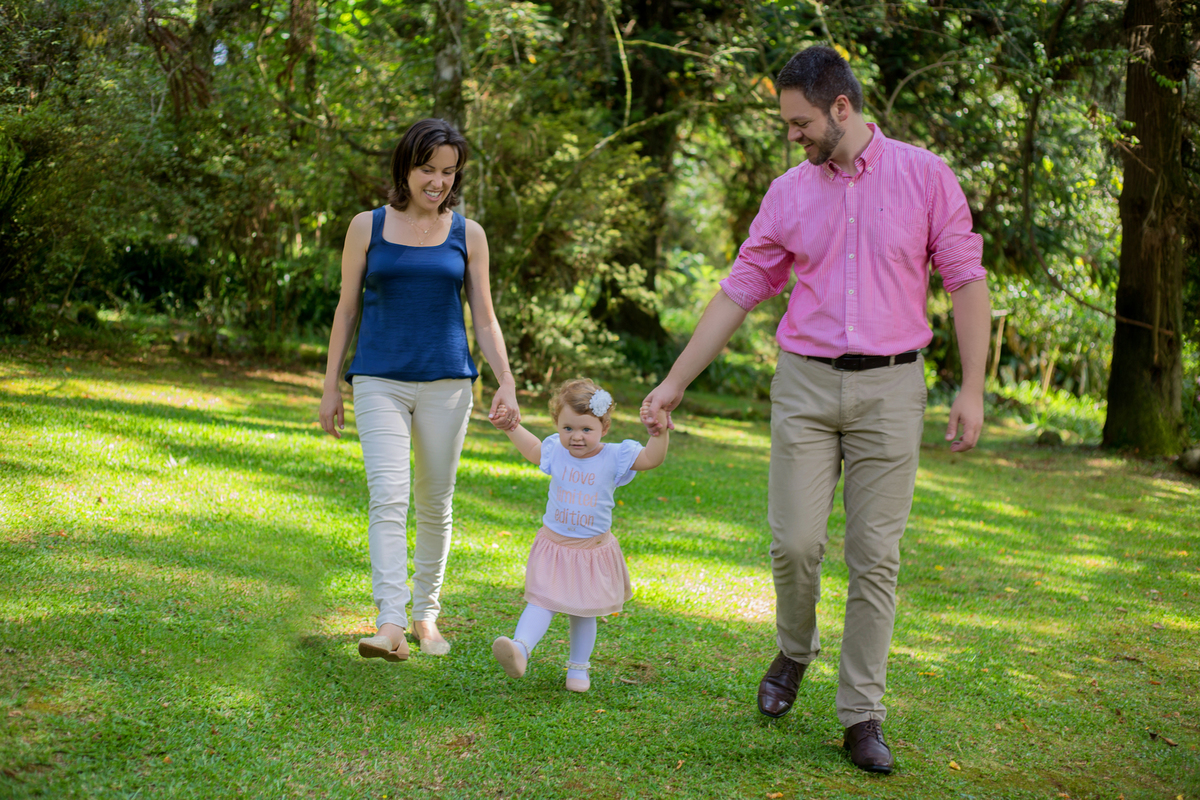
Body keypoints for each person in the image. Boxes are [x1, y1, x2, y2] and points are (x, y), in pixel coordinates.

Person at [641, 47, 991, 773]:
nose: (791, 135)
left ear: (841, 107)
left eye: (799, 122)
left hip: (892, 388)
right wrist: (675, 381)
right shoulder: (788, 193)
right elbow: (740, 289)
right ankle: (795, 650)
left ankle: (862, 712)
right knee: (795, 544)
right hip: (804, 384)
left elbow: (965, 281)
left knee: (875, 558)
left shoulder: (927, 176)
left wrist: (972, 387)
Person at [318, 118, 521, 662]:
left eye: (448, 172)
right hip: (378, 380)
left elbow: (484, 317)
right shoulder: (367, 226)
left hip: (448, 384)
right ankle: (390, 622)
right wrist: (331, 384)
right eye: (428, 169)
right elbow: (346, 308)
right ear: (405, 167)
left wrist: (506, 380)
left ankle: (426, 615)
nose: (438, 181)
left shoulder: (468, 234)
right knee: (388, 496)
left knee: (435, 501)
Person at [488, 379, 669, 692]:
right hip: (554, 546)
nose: (576, 436)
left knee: (584, 612)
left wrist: (659, 432)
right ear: (557, 425)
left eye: (586, 429)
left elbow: (652, 459)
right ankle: (520, 649)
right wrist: (510, 427)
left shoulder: (614, 456)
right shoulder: (556, 451)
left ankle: (578, 668)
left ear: (604, 427)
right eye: (568, 428)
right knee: (541, 602)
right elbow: (532, 449)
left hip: (591, 551)